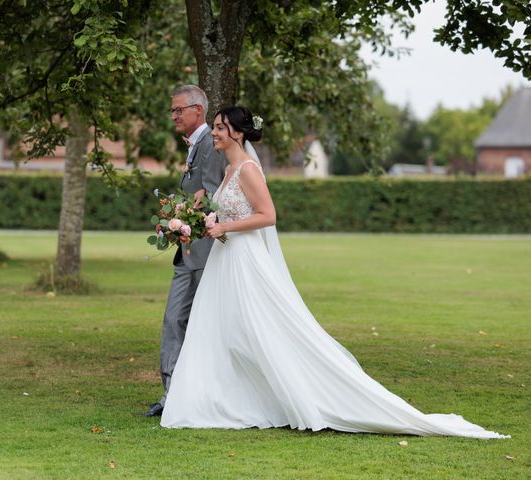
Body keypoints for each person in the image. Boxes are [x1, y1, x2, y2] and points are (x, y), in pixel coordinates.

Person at [160, 106, 508, 439]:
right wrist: (209, 222)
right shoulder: (228, 171)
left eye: (221, 128)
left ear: (237, 133)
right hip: (228, 259)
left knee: (262, 328)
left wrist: (225, 228)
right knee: (224, 329)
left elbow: (268, 216)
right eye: (216, 128)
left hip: (244, 260)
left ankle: (294, 393)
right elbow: (234, 214)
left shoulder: (249, 169)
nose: (216, 133)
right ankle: (225, 398)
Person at [142, 85, 227, 417]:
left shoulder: (210, 144)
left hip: (204, 252)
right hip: (189, 251)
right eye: (172, 110)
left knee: (186, 320)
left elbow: (212, 199)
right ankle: (172, 394)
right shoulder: (199, 144)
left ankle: (182, 395)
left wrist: (184, 221)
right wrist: (174, 219)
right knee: (175, 319)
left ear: (198, 111)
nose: (174, 115)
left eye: (179, 109)